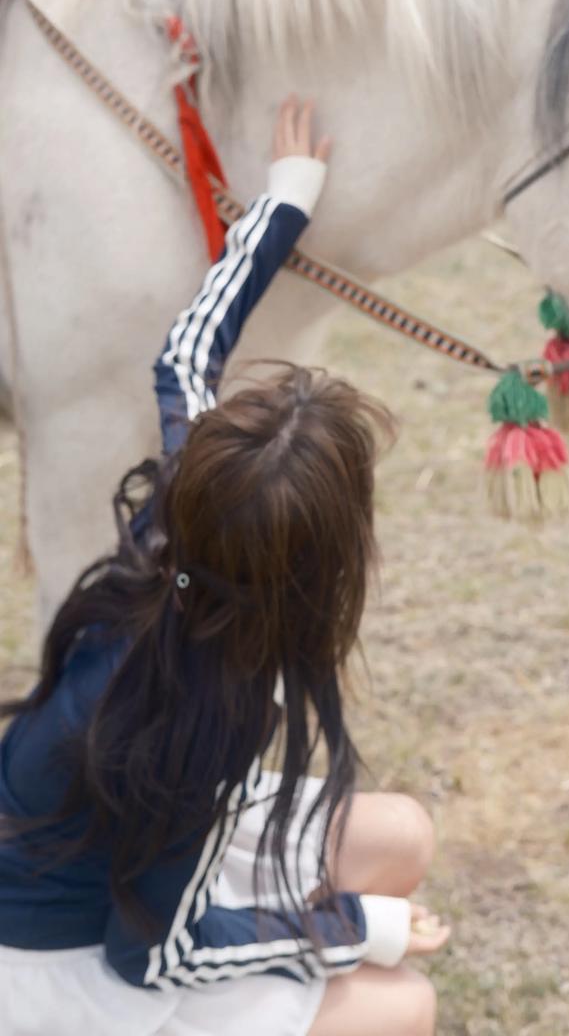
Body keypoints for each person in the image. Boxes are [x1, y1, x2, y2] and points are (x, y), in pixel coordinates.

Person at [0, 97, 450, 1036]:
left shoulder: (183, 522)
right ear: (324, 570)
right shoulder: (206, 712)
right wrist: (348, 927)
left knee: (404, 836)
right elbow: (154, 949)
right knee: (402, 1004)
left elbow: (188, 351)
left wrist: (287, 198)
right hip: (59, 959)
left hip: (124, 845)